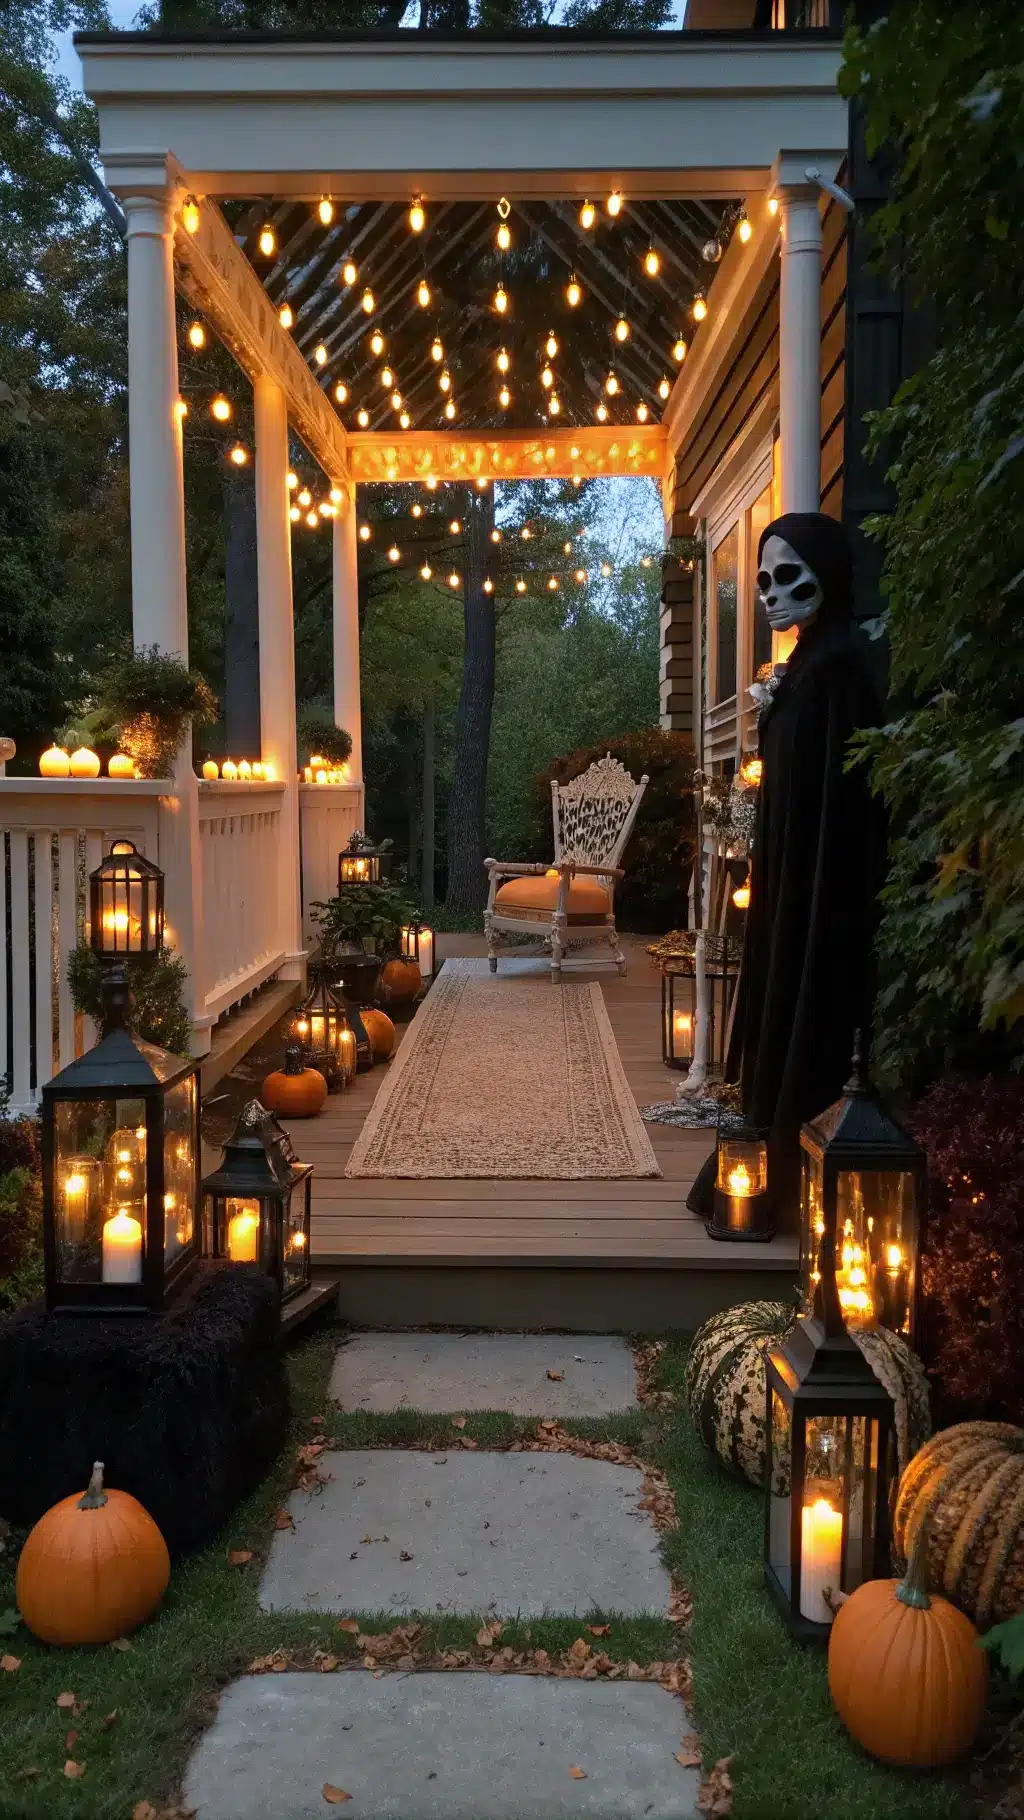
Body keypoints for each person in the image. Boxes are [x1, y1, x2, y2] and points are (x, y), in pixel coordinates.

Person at [688, 512, 887, 1230]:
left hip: (819, 888)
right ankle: (760, 1151)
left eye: (788, 577)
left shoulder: (840, 672)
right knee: (773, 1002)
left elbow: (845, 799)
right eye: (763, 580)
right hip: (786, 880)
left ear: (828, 577)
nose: (770, 594)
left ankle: (786, 1165)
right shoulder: (805, 665)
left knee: (805, 1010)